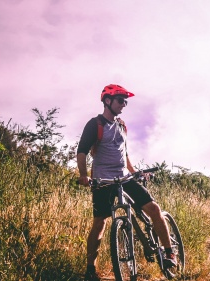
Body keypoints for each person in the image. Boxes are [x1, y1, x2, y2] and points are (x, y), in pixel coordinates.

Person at [77, 84, 177, 281]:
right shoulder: (94, 124)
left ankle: (168, 253)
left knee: (154, 209)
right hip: (103, 180)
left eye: (126, 101)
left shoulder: (122, 125)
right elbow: (82, 151)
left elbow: (125, 154)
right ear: (108, 101)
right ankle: (90, 269)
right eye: (121, 100)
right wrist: (83, 175)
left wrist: (134, 172)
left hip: (125, 177)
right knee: (99, 223)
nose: (124, 104)